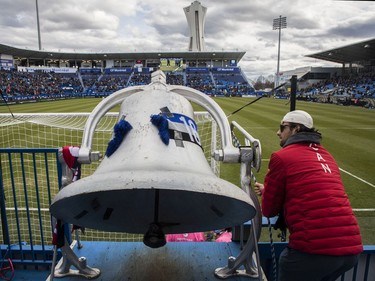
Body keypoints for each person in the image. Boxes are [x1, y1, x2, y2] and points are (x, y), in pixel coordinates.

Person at [254, 110, 363, 281]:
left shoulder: (281, 157)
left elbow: (268, 210)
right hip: (351, 252)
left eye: (282, 127)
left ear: (296, 129)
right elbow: (311, 190)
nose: (278, 132)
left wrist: (267, 192)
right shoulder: (328, 156)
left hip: (314, 250)